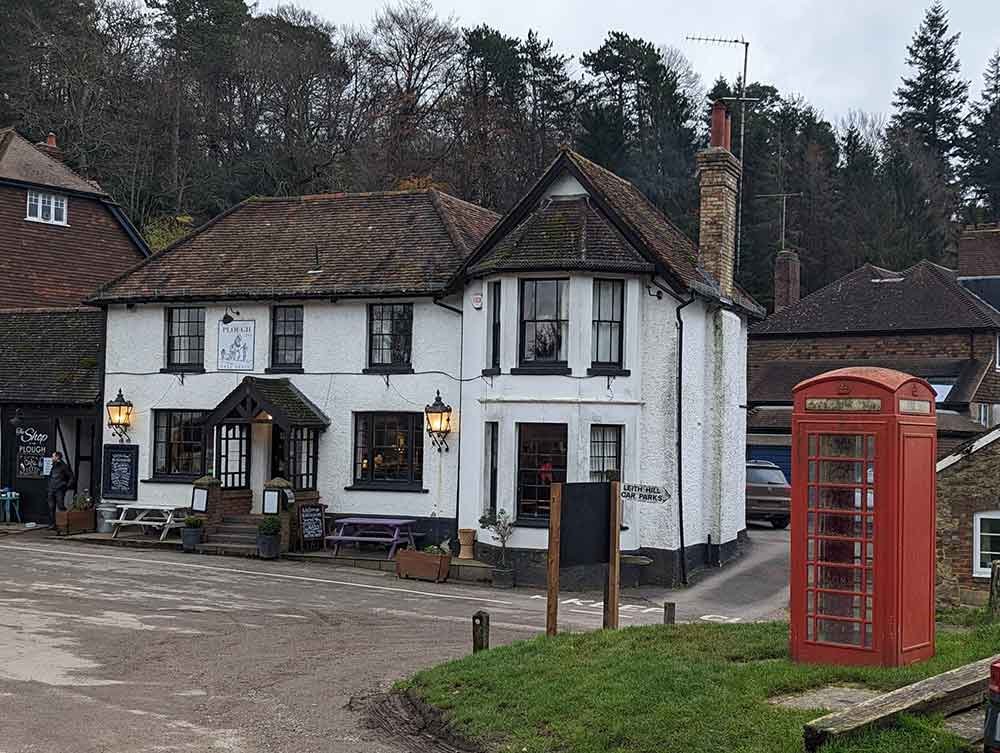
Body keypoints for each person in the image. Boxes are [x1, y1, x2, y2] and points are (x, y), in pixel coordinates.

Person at [47, 451, 74, 528]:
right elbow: (51, 477)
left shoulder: (64, 466)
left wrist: (65, 486)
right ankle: (52, 524)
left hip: (59, 489)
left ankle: (65, 522)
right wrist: (49, 487)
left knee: (60, 506)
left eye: (53, 456)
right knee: (51, 507)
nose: (52, 458)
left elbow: (71, 477)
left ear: (57, 457)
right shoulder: (54, 466)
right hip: (51, 489)